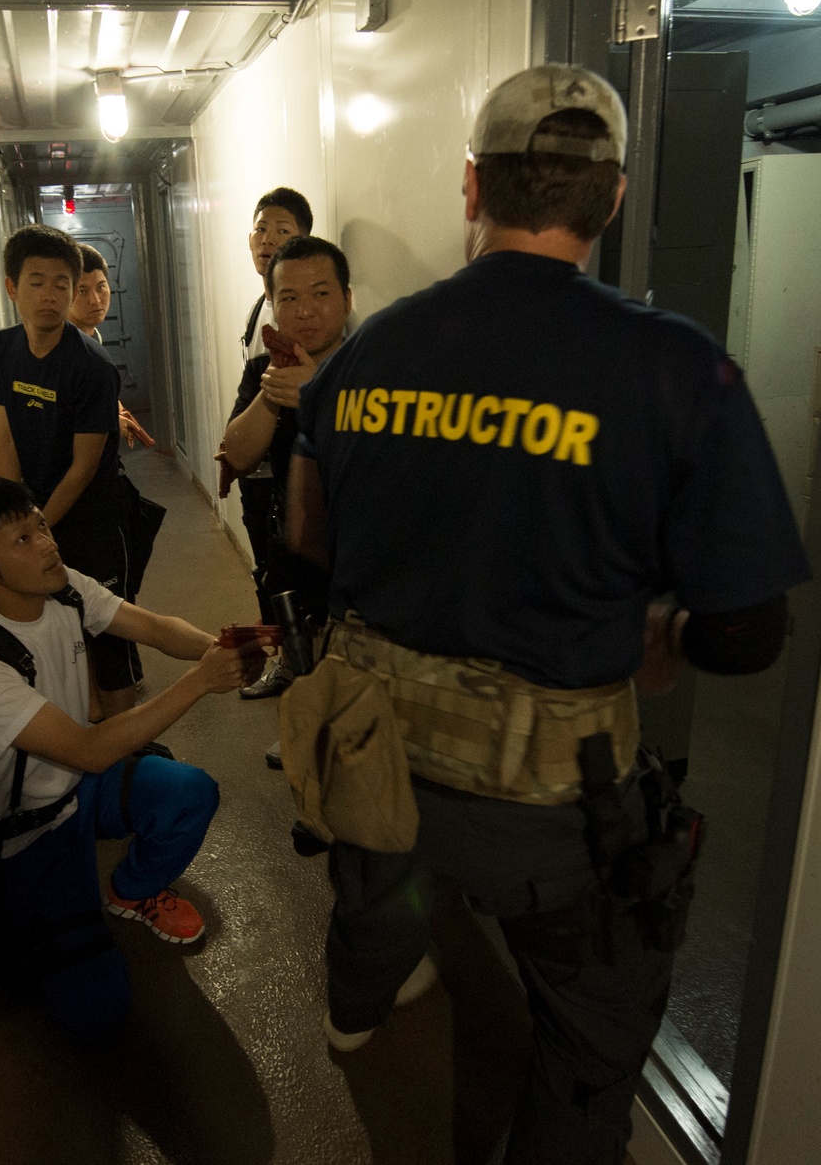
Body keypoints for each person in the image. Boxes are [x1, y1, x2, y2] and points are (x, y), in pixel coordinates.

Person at [287, 64, 810, 1164]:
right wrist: (654, 638)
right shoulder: (675, 369)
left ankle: (353, 1012)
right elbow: (744, 634)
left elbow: (312, 545)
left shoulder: (368, 350)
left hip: (375, 748)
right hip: (550, 807)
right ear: (611, 199)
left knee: (377, 887)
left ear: (472, 185)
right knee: (588, 1043)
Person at [0, 476, 263, 1041]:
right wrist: (199, 683)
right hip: (32, 827)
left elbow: (154, 628)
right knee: (97, 1009)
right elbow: (89, 750)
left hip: (83, 784)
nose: (47, 542)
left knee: (190, 792)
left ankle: (130, 890)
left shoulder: (63, 589)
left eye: (40, 524)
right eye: (22, 538)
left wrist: (222, 648)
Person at [0, 224, 139, 719]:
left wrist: (33, 532)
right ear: (12, 287)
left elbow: (83, 466)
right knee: (56, 628)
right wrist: (9, 522)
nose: (49, 295)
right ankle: (85, 733)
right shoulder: (4, 349)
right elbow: (5, 436)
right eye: (36, 282)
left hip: (91, 519)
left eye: (61, 285)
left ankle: (126, 751)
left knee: (110, 637)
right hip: (35, 516)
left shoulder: (91, 367)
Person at [224, 236, 352, 770]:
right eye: (289, 298)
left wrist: (319, 392)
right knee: (301, 651)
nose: (305, 311)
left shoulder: (374, 367)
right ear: (272, 305)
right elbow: (237, 451)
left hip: (356, 549)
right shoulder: (263, 372)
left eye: (320, 293)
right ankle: (304, 733)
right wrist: (274, 392)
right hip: (294, 543)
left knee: (352, 667)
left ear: (346, 297)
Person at [217, 188, 314, 656]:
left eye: (282, 231)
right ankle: (285, 657)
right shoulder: (259, 308)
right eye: (260, 228)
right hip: (259, 472)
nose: (267, 239)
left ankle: (294, 660)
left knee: (299, 581)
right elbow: (252, 400)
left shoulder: (318, 332)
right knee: (270, 574)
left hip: (291, 475)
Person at [69, 242, 153, 450]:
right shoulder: (65, 346)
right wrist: (110, 421)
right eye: (82, 291)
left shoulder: (93, 336)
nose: (95, 300)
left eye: (100, 287)